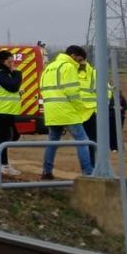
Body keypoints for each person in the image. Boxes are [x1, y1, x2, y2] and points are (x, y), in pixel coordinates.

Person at [39, 45, 94, 179]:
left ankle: (47, 171)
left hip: (51, 110)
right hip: (66, 110)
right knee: (82, 141)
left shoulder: (49, 67)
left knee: (53, 141)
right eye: (80, 60)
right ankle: (88, 173)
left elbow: (41, 87)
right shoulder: (68, 67)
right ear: (73, 56)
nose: (80, 64)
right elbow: (72, 92)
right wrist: (80, 107)